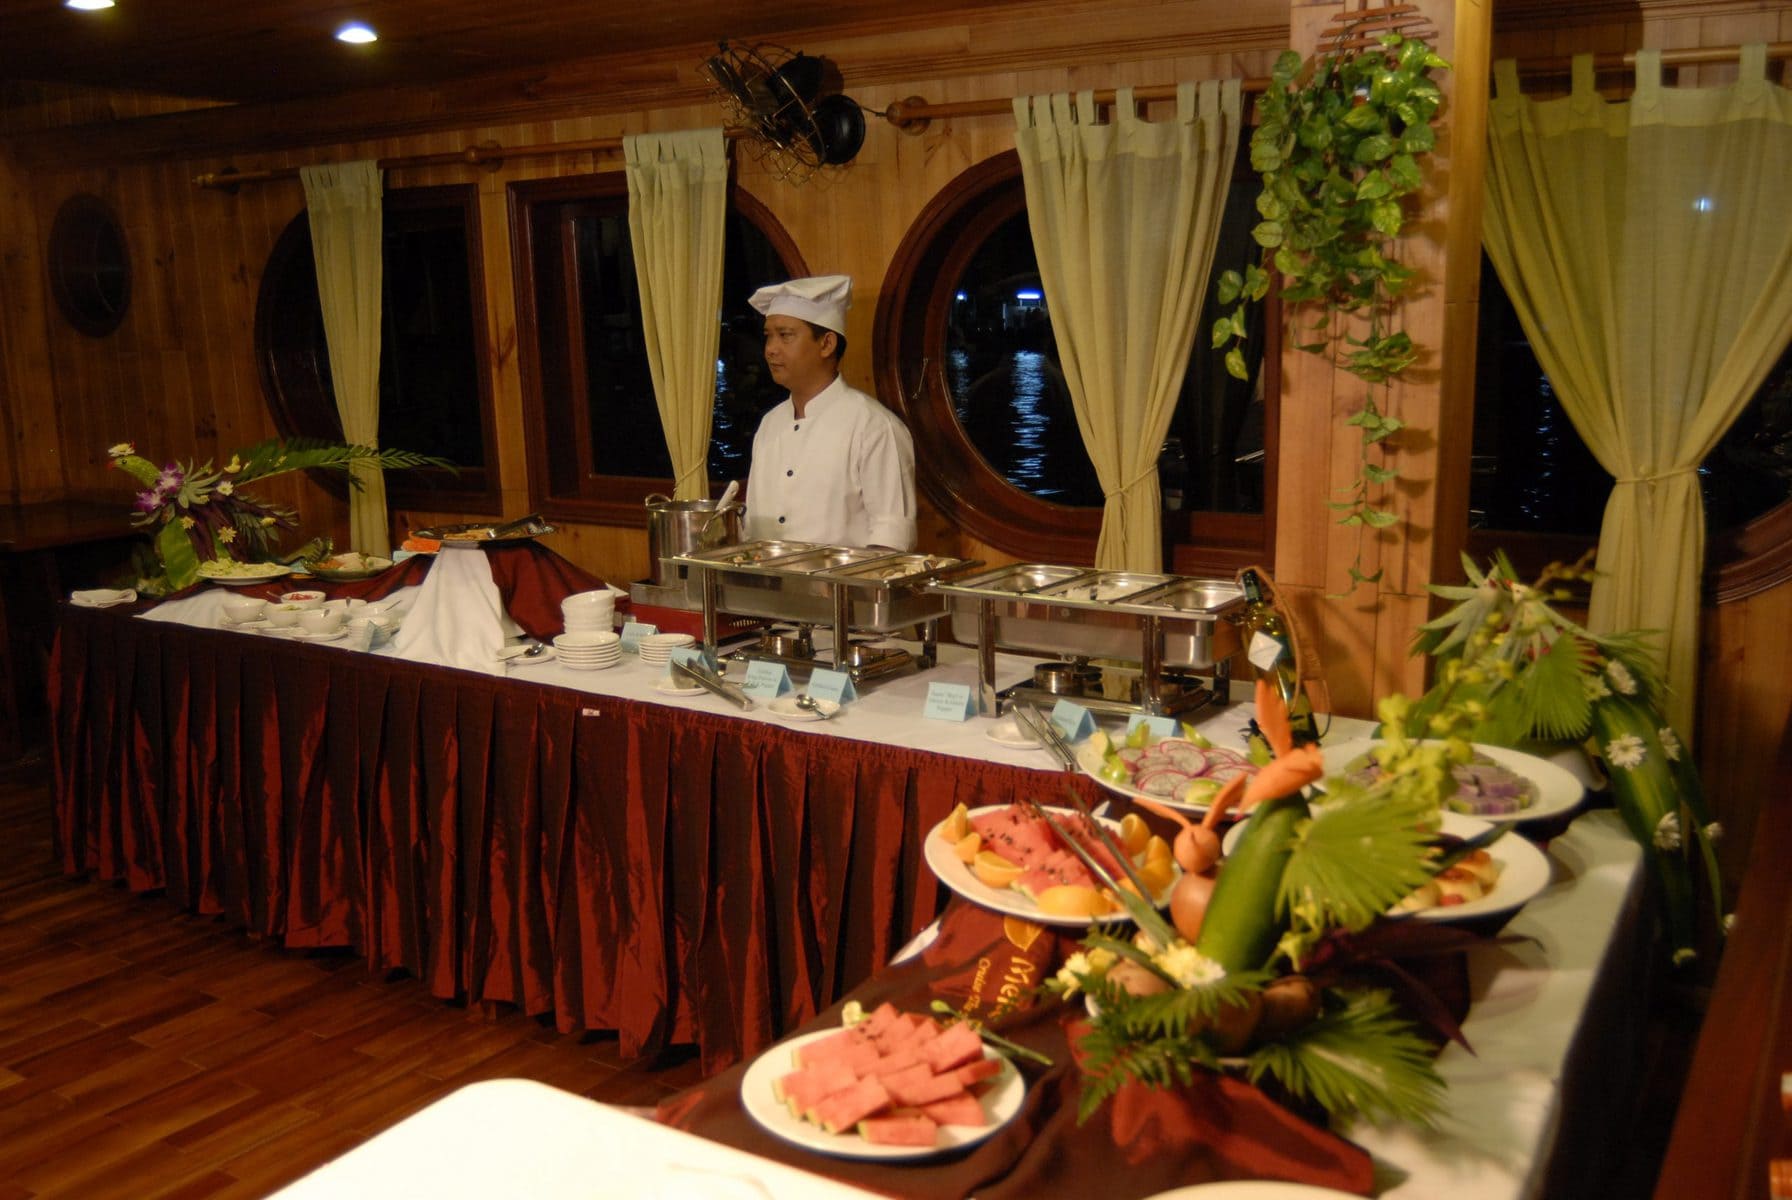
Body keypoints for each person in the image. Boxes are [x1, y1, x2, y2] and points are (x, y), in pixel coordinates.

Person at [743, 274, 918, 551]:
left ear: (827, 344)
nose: (771, 350)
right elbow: (752, 529)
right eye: (768, 336)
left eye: (785, 336)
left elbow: (891, 539)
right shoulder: (769, 424)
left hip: (845, 580)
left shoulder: (874, 426)